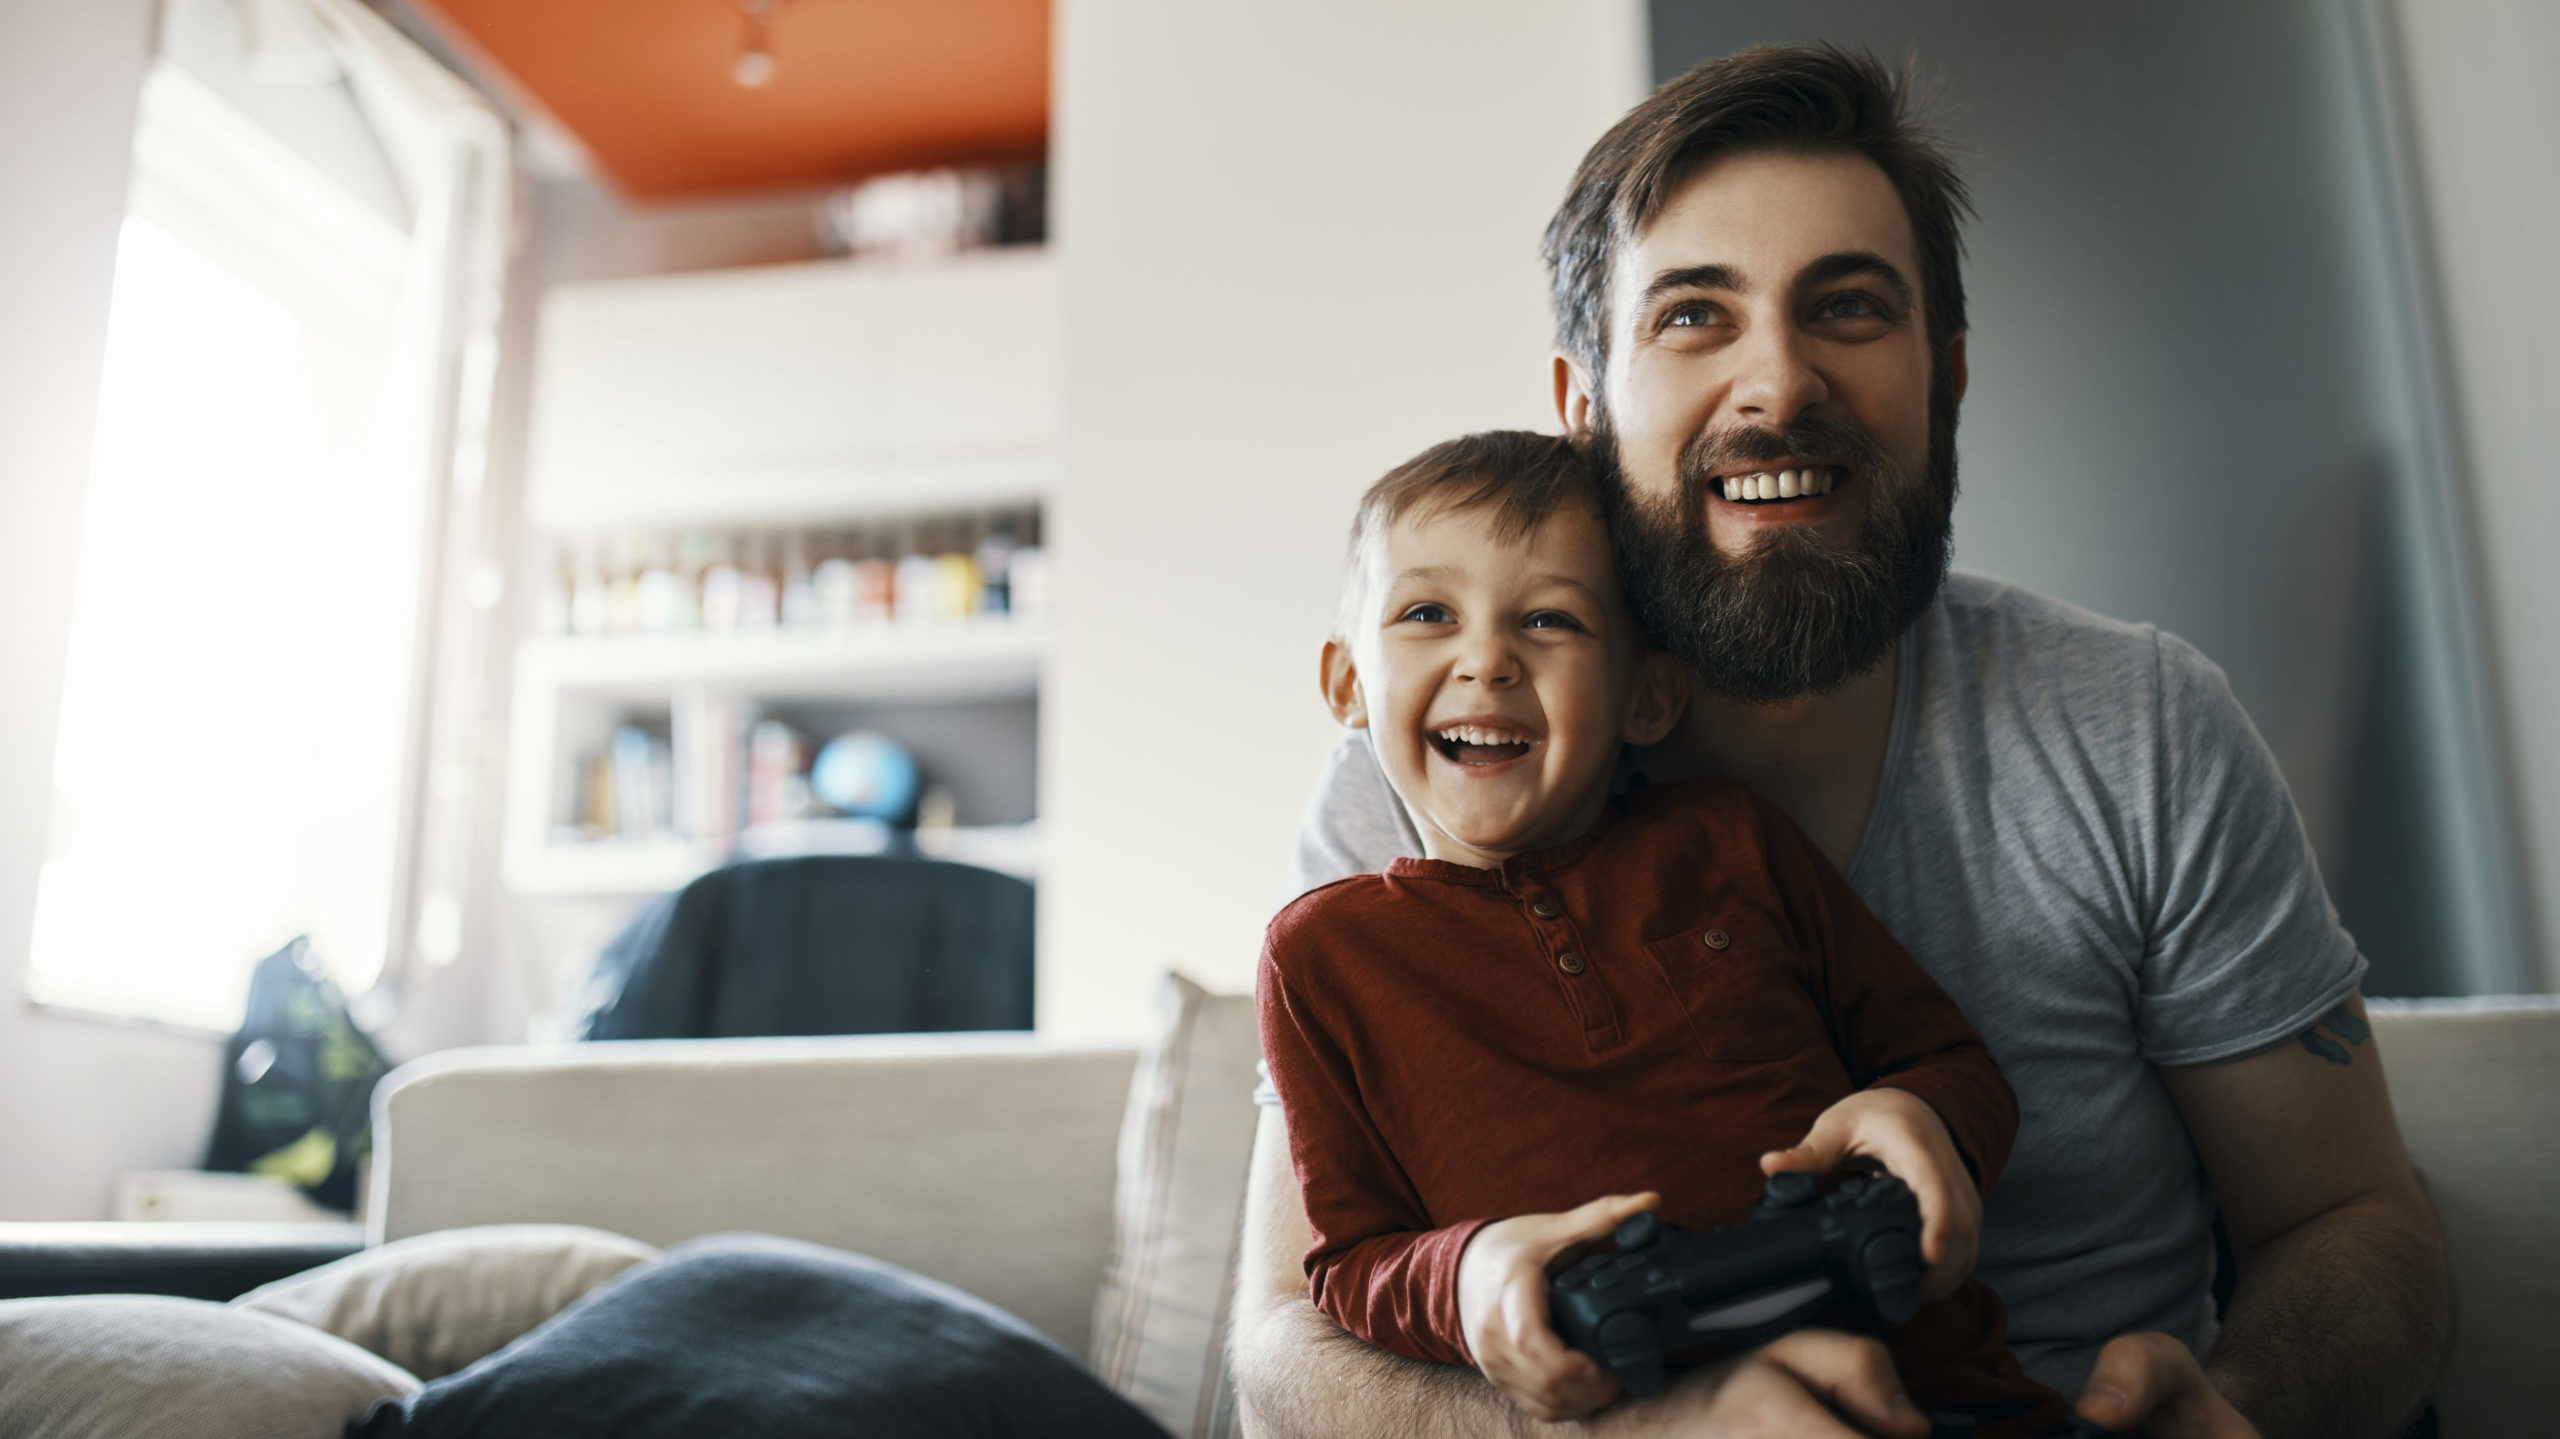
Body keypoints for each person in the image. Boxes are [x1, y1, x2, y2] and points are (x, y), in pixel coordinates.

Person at [1229, 43, 2449, 1439]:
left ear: (1948, 374)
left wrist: (2236, 1404)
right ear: (1581, 408)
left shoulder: (2142, 727)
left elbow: (2363, 1226)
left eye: (1849, 307)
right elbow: (1285, 1350)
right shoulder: (1429, 776)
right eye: (1695, 316)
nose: (1780, 382)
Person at [1258, 429, 2071, 1435]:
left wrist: (1922, 1118)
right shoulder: (1321, 957)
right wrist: (1467, 1277)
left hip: (1932, 1388)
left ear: (1647, 693)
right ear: (1346, 684)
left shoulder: (1730, 839)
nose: (1485, 659)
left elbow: (1944, 1055)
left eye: (1550, 620)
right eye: (1427, 612)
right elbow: (1345, 1261)